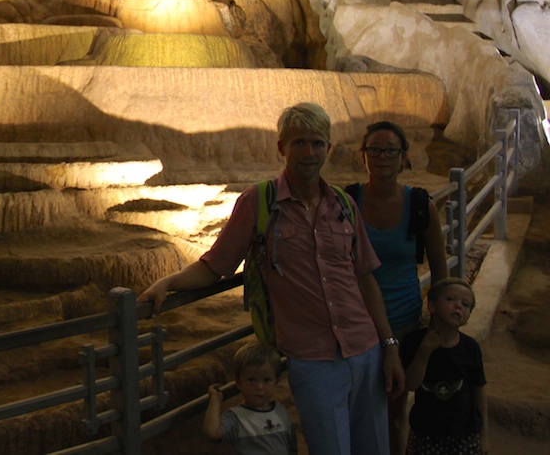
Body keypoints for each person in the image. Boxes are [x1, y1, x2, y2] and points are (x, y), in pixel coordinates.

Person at [138, 102, 404, 455]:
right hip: (313, 360)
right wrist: (168, 283)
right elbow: (216, 265)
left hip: (365, 349)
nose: (308, 152)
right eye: (298, 143)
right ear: (282, 148)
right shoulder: (258, 202)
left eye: (316, 143)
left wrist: (388, 347)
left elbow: (365, 278)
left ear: (329, 148)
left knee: (375, 448)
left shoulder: (342, 204)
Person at [345, 120, 449, 455]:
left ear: (403, 157)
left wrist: (440, 322)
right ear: (363, 155)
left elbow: (440, 268)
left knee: (393, 412)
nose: (382, 156)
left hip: (403, 322)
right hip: (355, 323)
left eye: (391, 150)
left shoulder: (420, 206)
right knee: (354, 408)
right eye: (374, 149)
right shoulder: (348, 202)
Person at [401, 277, 488, 455]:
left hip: (464, 434)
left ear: (468, 316)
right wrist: (424, 351)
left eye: (465, 304)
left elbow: (479, 390)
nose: (458, 306)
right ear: (432, 306)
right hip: (425, 434)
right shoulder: (414, 342)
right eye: (450, 299)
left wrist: (483, 434)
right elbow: (411, 384)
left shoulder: (470, 348)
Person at [204, 342, 298, 454]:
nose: (259, 387)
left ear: (276, 382)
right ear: (238, 382)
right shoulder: (235, 417)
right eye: (251, 380)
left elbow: (292, 448)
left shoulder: (282, 412)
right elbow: (212, 433)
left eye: (266, 380)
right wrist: (215, 399)